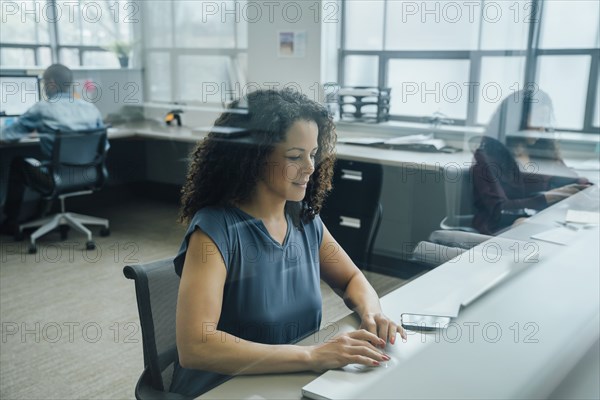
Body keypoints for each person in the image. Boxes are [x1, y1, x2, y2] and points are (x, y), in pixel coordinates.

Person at [172, 89, 405, 396]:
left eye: (312, 154)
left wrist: (372, 312)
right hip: (224, 390)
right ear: (253, 157)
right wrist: (313, 355)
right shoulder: (215, 230)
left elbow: (351, 278)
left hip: (288, 381)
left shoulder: (304, 219)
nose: (310, 167)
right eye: (295, 156)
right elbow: (195, 347)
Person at [0, 64, 105, 234]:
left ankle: (11, 222)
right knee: (49, 165)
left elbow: (7, 136)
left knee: (19, 163)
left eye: (44, 83)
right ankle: (41, 213)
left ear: (52, 83)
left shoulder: (42, 108)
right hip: (91, 174)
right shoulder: (90, 108)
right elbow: (104, 147)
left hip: (56, 178)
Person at [471, 89, 589, 234]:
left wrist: (584, 185)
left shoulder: (542, 151)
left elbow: (571, 180)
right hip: (502, 230)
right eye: (538, 120)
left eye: (545, 121)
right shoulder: (487, 157)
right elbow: (499, 210)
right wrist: (549, 197)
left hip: (541, 223)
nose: (542, 128)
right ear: (515, 121)